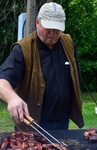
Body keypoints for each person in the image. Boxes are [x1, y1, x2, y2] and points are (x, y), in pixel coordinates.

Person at [0, 2, 84, 131]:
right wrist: (12, 98)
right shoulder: (23, 49)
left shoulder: (68, 43)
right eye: (49, 28)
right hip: (32, 124)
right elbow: (2, 81)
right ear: (37, 23)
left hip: (62, 122)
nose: (53, 33)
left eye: (57, 29)